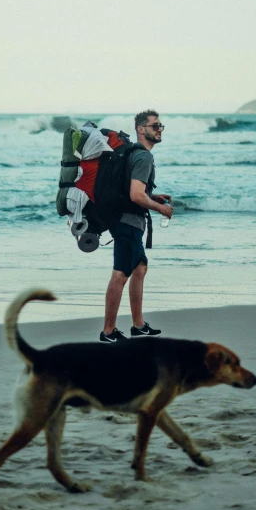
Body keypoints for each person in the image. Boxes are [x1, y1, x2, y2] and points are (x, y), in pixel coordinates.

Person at [99, 109, 173, 342]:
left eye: (161, 125)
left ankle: (138, 325)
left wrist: (154, 196)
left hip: (123, 219)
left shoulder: (133, 153)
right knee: (121, 274)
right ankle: (108, 331)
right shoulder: (144, 157)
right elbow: (136, 196)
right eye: (155, 126)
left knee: (139, 268)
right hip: (128, 221)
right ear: (141, 130)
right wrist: (160, 208)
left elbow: (136, 191)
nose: (159, 129)